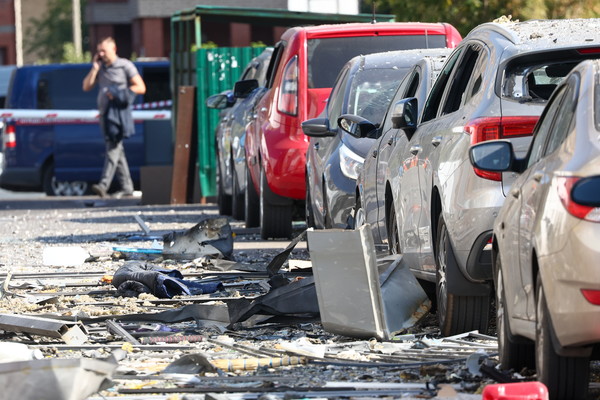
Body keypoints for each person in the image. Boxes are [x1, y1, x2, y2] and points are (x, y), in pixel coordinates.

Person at [82, 37, 146, 198]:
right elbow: (86, 86)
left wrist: (119, 93)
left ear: (114, 49)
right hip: (105, 115)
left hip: (118, 115)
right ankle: (127, 187)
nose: (101, 54)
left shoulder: (125, 65)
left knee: (113, 148)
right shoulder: (101, 67)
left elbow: (141, 87)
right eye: (99, 51)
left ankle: (103, 185)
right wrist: (95, 68)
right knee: (118, 151)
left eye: (104, 50)